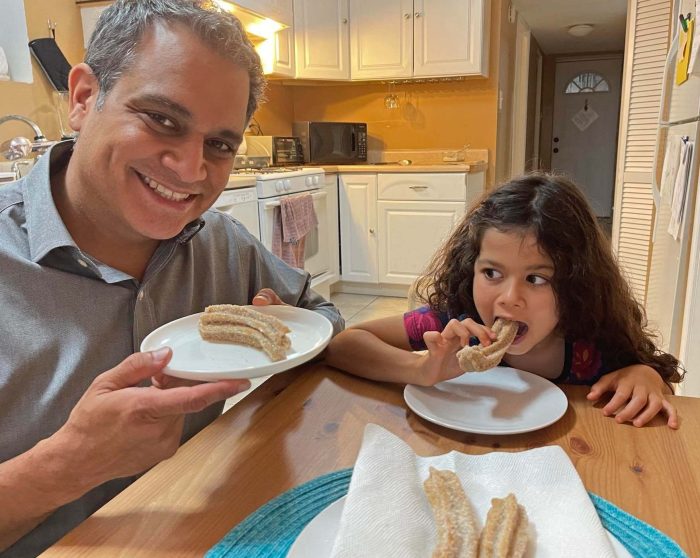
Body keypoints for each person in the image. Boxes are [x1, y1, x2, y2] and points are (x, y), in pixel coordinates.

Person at [0, 1, 343, 556]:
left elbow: (321, 319)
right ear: (84, 98)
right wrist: (64, 466)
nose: (190, 169)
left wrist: (279, 339)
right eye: (162, 119)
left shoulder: (220, 244)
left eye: (220, 144)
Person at [325, 173, 683, 429]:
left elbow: (658, 390)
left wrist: (647, 376)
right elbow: (343, 345)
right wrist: (421, 370)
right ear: (472, 268)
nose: (510, 299)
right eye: (492, 274)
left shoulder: (594, 343)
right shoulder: (458, 325)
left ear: (577, 281)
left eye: (537, 278)